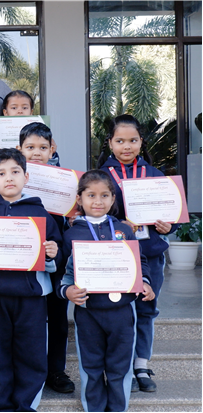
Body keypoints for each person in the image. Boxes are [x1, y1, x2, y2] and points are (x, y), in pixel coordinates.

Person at [0, 148, 62, 412]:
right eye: (1, 173)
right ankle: (0, 405)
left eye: (15, 172)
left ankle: (26, 405)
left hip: (31, 295)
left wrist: (53, 252)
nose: (9, 178)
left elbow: (57, 252)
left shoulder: (42, 214)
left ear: (26, 177)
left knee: (31, 352)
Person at [58, 170, 155, 412]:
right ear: (79, 199)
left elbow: (140, 262)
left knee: (119, 366)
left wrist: (145, 282)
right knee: (91, 366)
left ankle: (118, 408)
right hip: (88, 311)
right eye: (91, 195)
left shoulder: (124, 230)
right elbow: (64, 273)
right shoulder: (71, 234)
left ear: (113, 198)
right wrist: (67, 291)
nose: (98, 201)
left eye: (104, 195)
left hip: (122, 311)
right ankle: (94, 408)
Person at [97, 114, 178, 393]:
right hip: (115, 256)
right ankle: (121, 367)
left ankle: (141, 365)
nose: (126, 146)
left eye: (132, 140)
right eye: (120, 141)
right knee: (119, 313)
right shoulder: (101, 177)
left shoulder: (155, 175)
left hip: (150, 255)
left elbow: (172, 215)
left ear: (141, 142)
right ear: (110, 143)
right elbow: (92, 214)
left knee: (146, 310)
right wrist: (119, 224)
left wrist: (168, 226)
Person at [16, 122, 75, 393]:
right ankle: (29, 370)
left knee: (58, 318)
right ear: (19, 150)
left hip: (56, 259)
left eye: (43, 147)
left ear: (53, 149)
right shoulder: (13, 179)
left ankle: (56, 370)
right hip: (23, 262)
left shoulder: (65, 182)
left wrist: (75, 217)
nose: (36, 152)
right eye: (30, 147)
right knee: (29, 321)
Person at [0, 90, 60, 166]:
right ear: (5, 112)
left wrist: (52, 154)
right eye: (14, 108)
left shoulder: (40, 133)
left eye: (25, 108)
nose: (20, 111)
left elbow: (54, 166)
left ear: (31, 112)